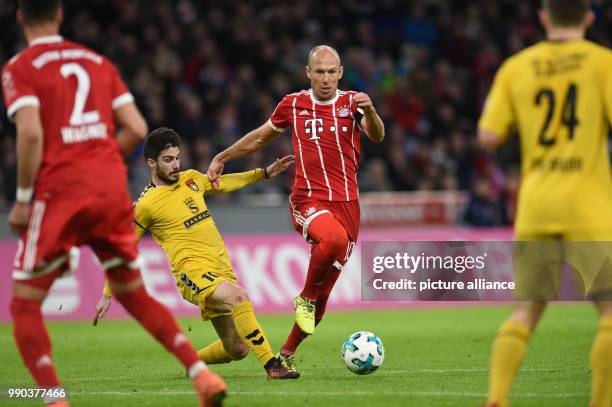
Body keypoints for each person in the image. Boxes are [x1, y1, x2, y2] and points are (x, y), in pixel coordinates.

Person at [2, 2, 225, 406]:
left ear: (20, 18)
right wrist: (99, 162)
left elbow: (31, 135)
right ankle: (200, 375)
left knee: (24, 304)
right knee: (133, 292)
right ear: (60, 15)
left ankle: (54, 400)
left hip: (61, 193)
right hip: (109, 189)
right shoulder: (96, 61)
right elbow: (137, 128)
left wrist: (21, 199)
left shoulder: (20, 67)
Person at [207, 45, 385, 372]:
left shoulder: (352, 103)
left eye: (332, 72)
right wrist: (223, 157)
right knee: (328, 242)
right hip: (309, 199)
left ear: (341, 72)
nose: (326, 78)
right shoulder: (293, 104)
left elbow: (376, 136)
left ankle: (286, 355)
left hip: (349, 206)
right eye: (320, 72)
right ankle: (303, 296)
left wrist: (371, 111)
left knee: (324, 296)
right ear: (308, 73)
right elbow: (260, 137)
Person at [477, 1, 612, 406]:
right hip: (587, 203)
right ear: (589, 17)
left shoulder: (517, 67)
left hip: (536, 204)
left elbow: (488, 137)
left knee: (525, 313)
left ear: (543, 18)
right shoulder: (602, 63)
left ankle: (497, 399)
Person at [94, 127, 299, 380]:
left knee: (237, 349)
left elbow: (222, 183)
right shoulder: (145, 205)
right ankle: (273, 366)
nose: (176, 165)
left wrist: (263, 173)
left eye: (177, 157)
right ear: (151, 163)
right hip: (193, 274)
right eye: (168, 160)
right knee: (239, 297)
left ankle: (192, 361)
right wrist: (107, 293)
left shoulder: (190, 179)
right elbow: (124, 247)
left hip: (221, 268)